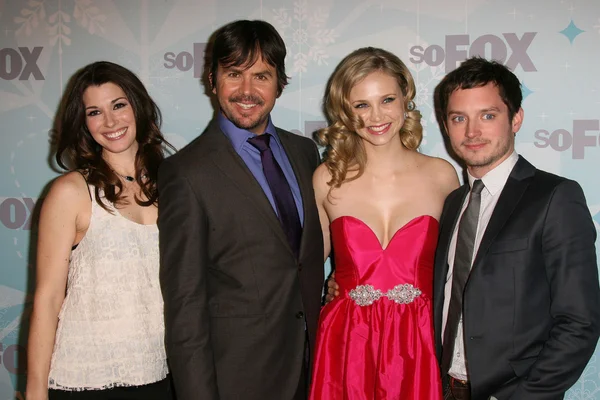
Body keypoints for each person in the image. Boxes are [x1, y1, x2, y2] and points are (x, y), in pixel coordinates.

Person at [157, 20, 324, 400]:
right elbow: (185, 303)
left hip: (311, 368)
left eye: (262, 76)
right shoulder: (185, 173)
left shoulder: (305, 153)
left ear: (280, 84)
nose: (247, 91)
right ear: (212, 80)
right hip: (238, 378)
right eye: (234, 74)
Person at [432, 57, 600, 399]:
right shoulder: (452, 204)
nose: (472, 132)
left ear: (516, 119)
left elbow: (580, 322)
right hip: (443, 389)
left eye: (488, 116)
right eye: (459, 118)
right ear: (446, 125)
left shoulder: (555, 197)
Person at [310, 47, 459, 400]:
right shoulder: (326, 179)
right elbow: (305, 266)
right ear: (345, 111)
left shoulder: (441, 175)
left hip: (419, 340)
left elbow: (463, 267)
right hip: (347, 342)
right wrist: (329, 287)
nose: (376, 116)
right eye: (361, 104)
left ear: (406, 97)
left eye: (387, 99)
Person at [26, 61, 174, 400]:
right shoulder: (70, 191)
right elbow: (47, 299)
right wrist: (34, 393)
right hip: (87, 377)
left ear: (137, 107)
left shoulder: (173, 185)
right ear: (83, 123)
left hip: (162, 372)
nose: (110, 122)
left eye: (118, 105)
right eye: (95, 112)